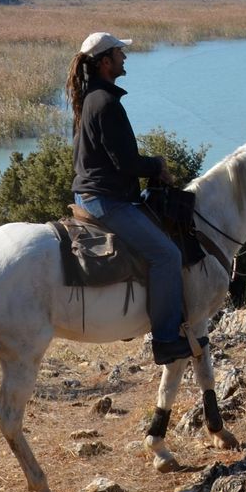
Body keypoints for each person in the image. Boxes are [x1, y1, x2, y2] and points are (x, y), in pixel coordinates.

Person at [66, 32, 192, 365]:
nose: (125, 57)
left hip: (92, 191)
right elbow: (126, 163)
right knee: (166, 254)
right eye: (120, 53)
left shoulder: (90, 98)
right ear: (105, 62)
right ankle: (165, 339)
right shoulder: (105, 103)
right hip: (105, 200)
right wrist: (158, 165)